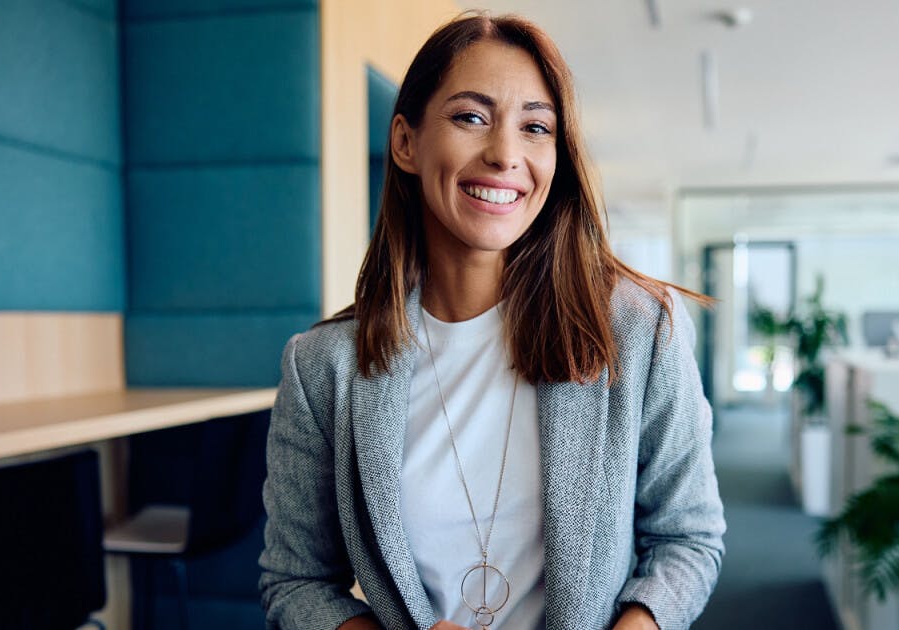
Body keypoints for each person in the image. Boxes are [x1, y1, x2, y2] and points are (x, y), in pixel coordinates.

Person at [259, 12, 725, 630]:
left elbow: (688, 539)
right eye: (471, 116)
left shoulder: (637, 331)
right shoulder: (323, 367)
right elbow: (294, 581)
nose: (506, 154)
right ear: (405, 142)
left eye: (535, 127)